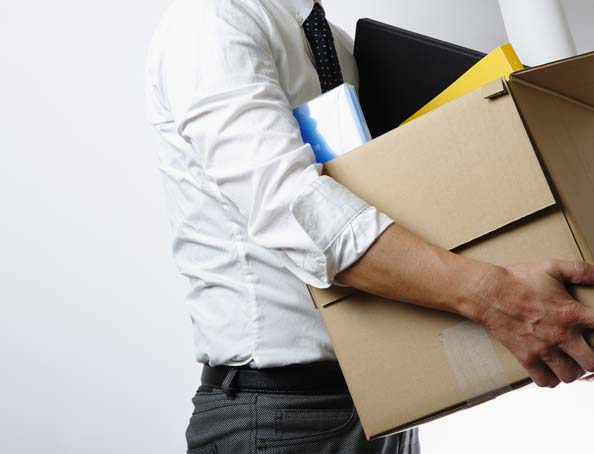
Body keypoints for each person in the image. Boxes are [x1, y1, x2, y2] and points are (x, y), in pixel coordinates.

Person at [144, 0, 594, 452]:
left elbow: (387, 204)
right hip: (280, 418)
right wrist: (498, 299)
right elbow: (297, 211)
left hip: (385, 406)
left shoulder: (337, 45)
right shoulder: (213, 19)